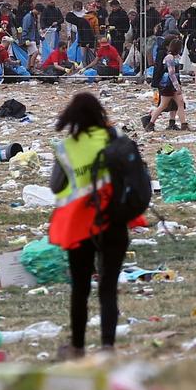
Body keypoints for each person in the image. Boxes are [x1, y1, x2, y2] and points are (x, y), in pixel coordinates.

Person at [47, 92, 134, 358]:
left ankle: (78, 347)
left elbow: (56, 185)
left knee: (80, 288)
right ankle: (108, 346)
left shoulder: (66, 148)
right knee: (108, 287)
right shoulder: (115, 137)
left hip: (80, 225)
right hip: (114, 220)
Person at [147, 33, 189, 131]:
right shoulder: (169, 58)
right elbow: (171, 74)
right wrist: (177, 86)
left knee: (180, 103)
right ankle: (150, 124)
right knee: (163, 105)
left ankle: (183, 124)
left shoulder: (175, 57)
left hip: (172, 85)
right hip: (168, 85)